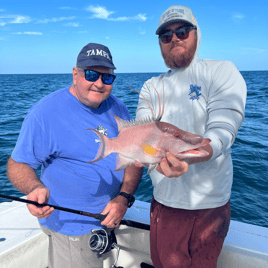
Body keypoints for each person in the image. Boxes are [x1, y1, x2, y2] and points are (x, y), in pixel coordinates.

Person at [6, 43, 143, 268]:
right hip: (71, 226)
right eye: (91, 74)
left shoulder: (118, 107)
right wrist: (34, 188)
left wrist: (124, 197)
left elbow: (134, 158)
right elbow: (17, 163)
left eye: (107, 78)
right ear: (75, 74)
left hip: (109, 218)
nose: (99, 84)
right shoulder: (45, 113)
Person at [136, 5, 247, 268]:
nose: (174, 38)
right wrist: (148, 155)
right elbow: (143, 135)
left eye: (182, 31)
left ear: (196, 34)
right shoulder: (151, 86)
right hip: (163, 205)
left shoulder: (221, 71)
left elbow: (224, 128)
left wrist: (192, 155)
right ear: (160, 43)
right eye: (166, 35)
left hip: (209, 210)